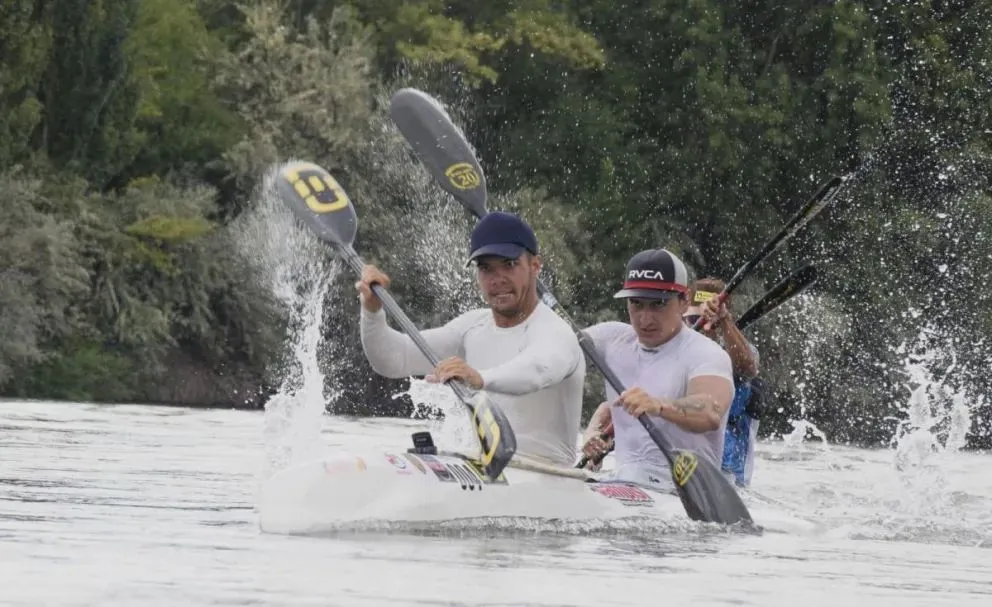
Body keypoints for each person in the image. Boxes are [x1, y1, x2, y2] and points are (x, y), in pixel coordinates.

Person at [356, 211, 586, 468]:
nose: (497, 280)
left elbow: (537, 371)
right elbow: (392, 359)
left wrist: (479, 377)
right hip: (484, 471)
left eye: (509, 265)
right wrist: (372, 310)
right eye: (486, 268)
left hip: (552, 480)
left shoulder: (556, 332)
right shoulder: (471, 327)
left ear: (535, 266)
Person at [578, 249, 735, 489]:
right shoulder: (610, 338)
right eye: (636, 303)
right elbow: (550, 358)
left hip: (683, 491)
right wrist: (591, 434)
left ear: (684, 301)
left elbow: (710, 411)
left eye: (658, 304)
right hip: (625, 480)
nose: (645, 319)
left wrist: (659, 406)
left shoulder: (707, 354)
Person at [686, 278, 763, 488]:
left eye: (707, 319)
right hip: (686, 469)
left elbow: (748, 368)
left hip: (730, 480)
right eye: (693, 318)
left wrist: (724, 321)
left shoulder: (743, 352)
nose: (701, 325)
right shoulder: (674, 350)